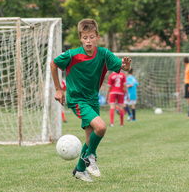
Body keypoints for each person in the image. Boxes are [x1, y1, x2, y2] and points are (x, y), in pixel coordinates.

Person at [51, 19, 131, 182]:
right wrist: (58, 90)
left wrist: (127, 67)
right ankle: (90, 157)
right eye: (85, 37)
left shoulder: (104, 54)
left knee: (90, 139)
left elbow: (121, 66)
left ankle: (80, 169)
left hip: (93, 99)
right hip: (77, 100)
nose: (89, 41)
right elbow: (54, 64)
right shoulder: (72, 55)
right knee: (101, 127)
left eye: (92, 37)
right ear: (80, 38)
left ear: (97, 37)